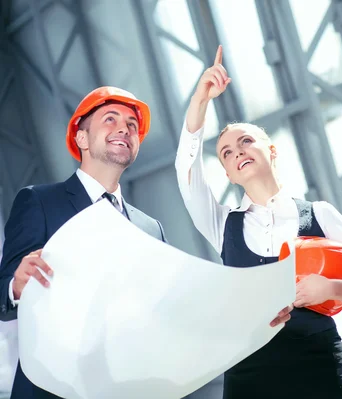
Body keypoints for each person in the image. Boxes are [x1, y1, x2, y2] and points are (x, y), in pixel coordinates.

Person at [0, 86, 292, 399]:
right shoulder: (40, 202)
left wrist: (252, 317)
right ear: (81, 138)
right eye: (110, 119)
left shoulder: (149, 229)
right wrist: (15, 287)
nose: (124, 128)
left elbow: (174, 314)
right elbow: (5, 288)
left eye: (132, 125)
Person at [175, 46, 342, 399]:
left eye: (246, 141)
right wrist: (200, 100)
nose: (237, 152)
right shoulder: (222, 225)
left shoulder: (318, 213)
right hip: (248, 371)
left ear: (271, 150)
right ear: (229, 174)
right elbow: (185, 173)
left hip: (317, 362)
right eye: (226, 153)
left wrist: (333, 290)